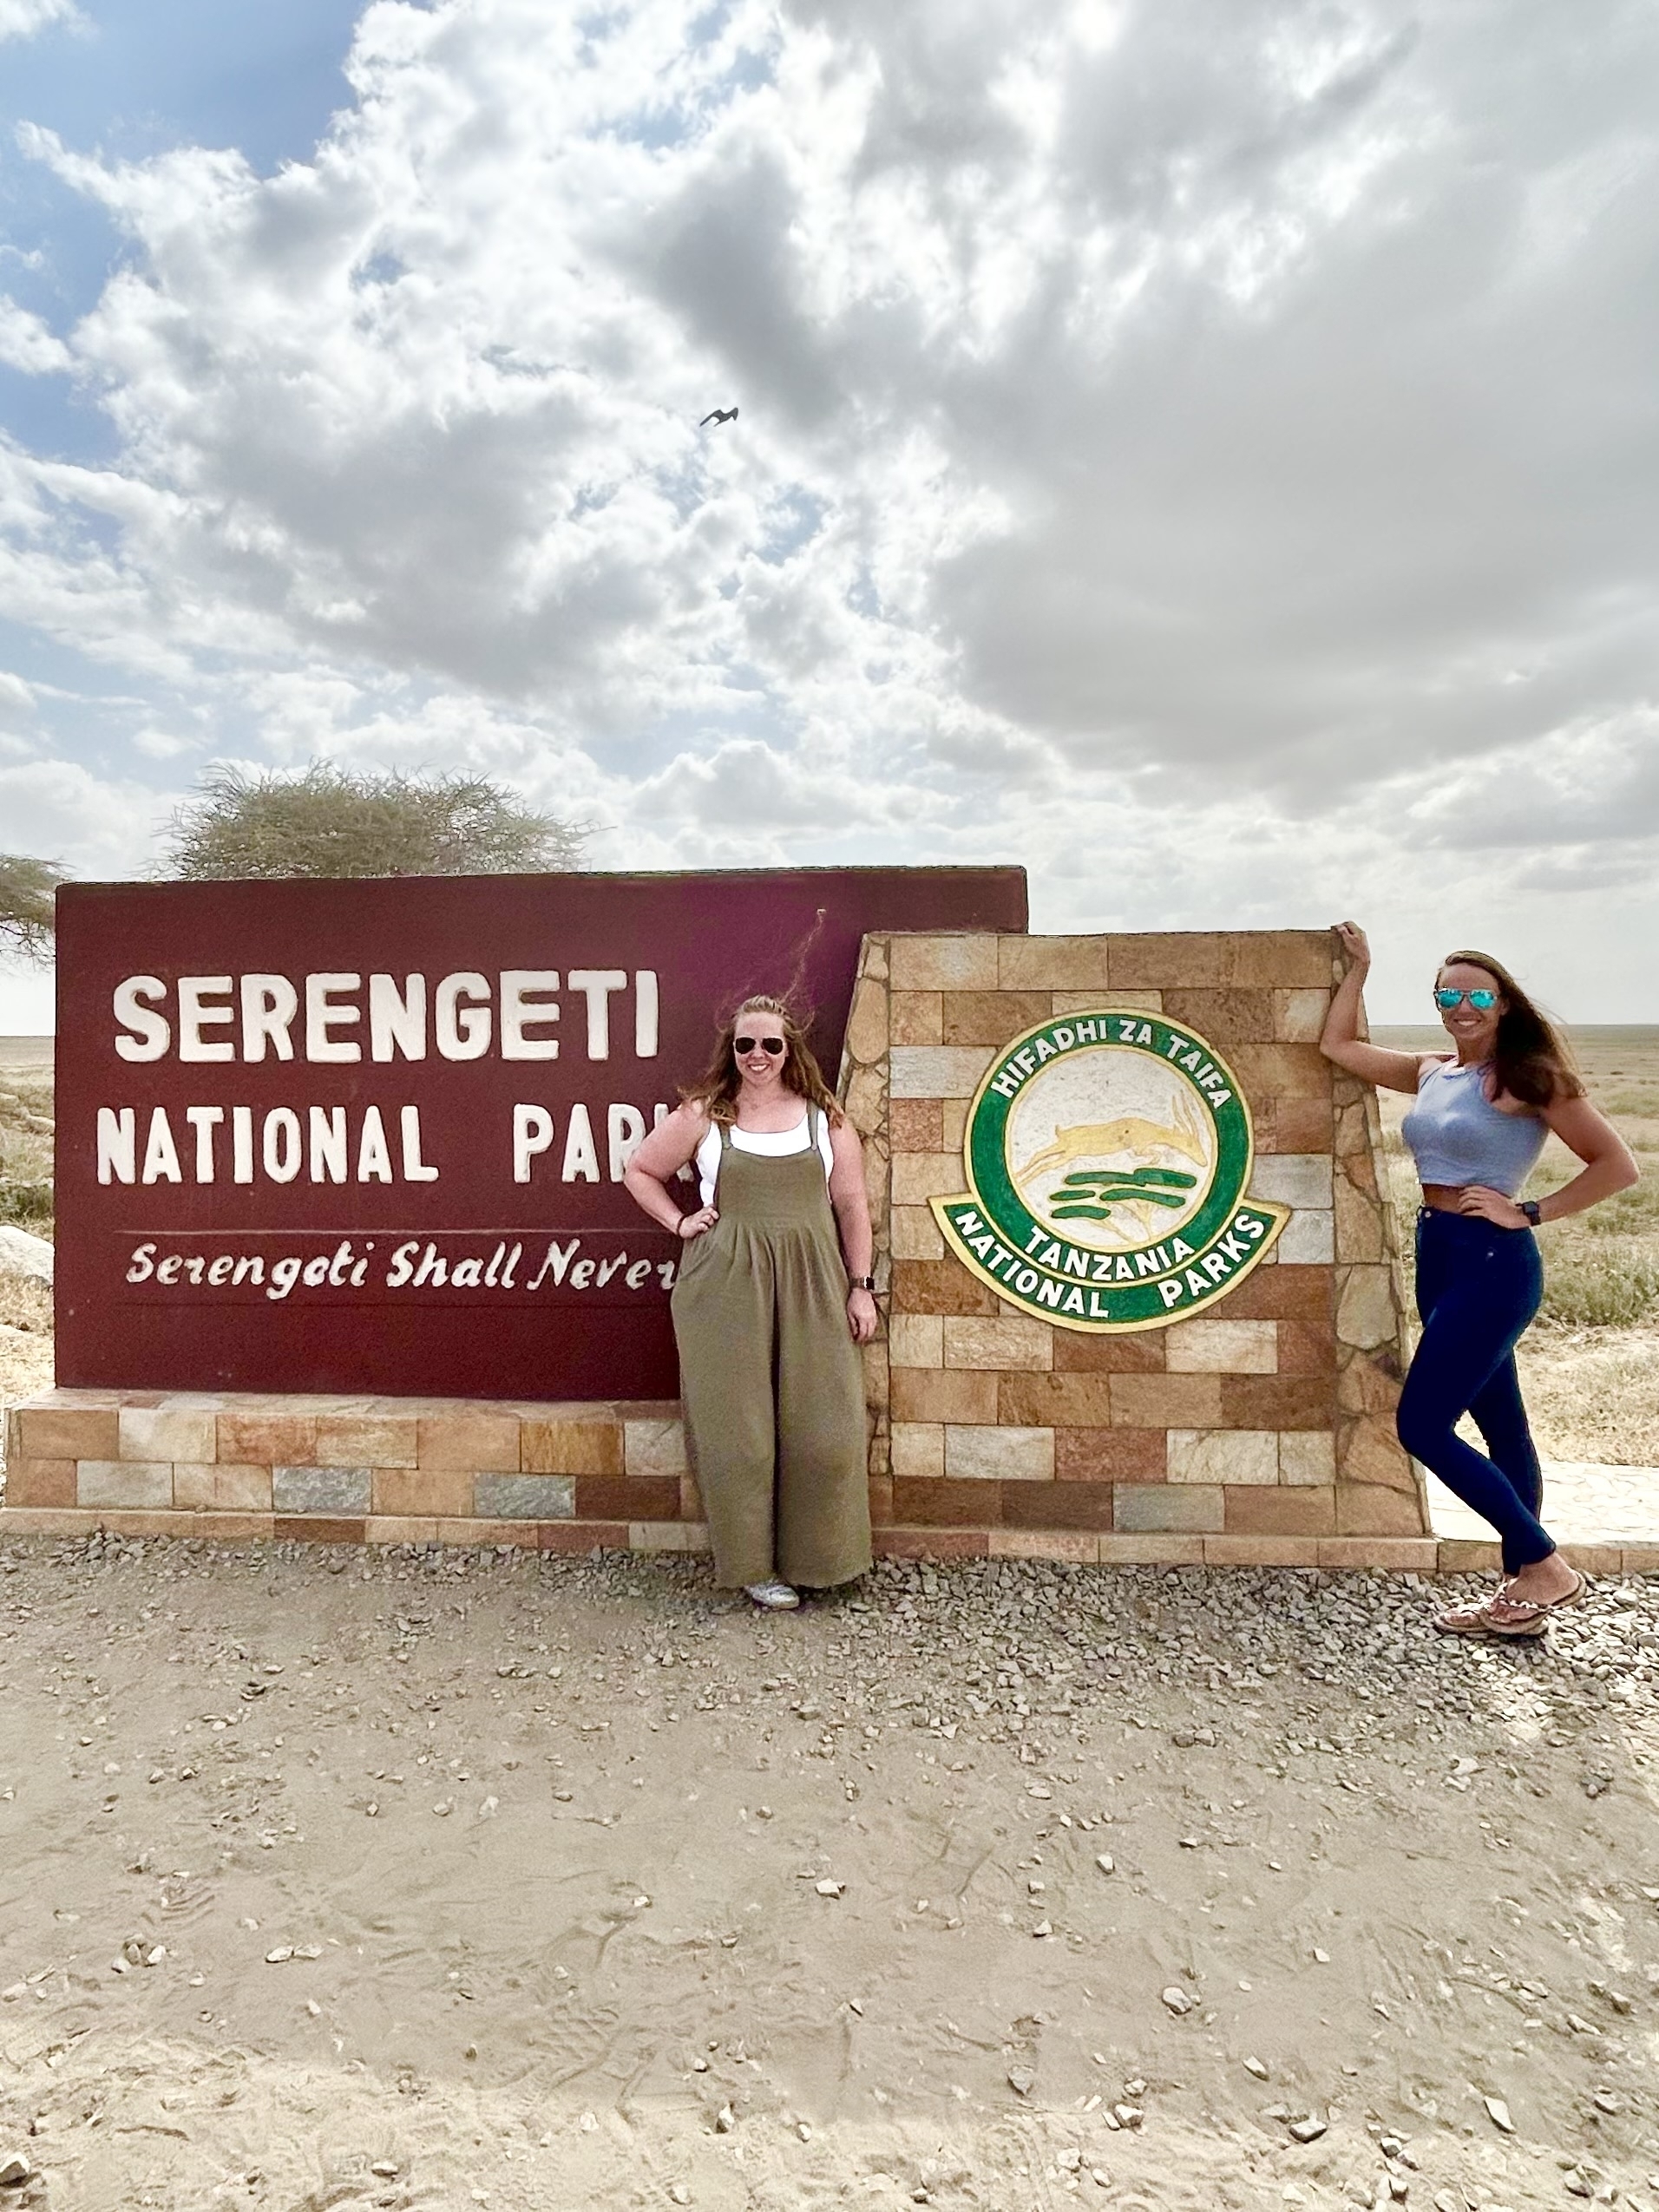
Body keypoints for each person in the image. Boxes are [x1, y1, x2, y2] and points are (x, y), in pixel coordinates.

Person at [1321, 927, 1637, 1637]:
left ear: (1501, 1005)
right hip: (1440, 1255)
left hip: (1494, 1264)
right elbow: (1338, 1048)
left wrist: (1529, 1211)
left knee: (1423, 1425)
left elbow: (1618, 1165)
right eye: (1448, 994)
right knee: (1502, 1426)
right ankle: (1520, 1596)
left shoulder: (1529, 1078)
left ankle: (1545, 1567)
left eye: (1476, 995)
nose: (1461, 1006)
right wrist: (1360, 969)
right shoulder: (1435, 1072)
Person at [622, 992, 877, 1610]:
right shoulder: (706, 1115)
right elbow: (640, 1171)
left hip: (815, 1281)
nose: (757, 1055)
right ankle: (754, 1568)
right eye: (745, 1044)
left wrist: (861, 1285)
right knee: (740, 1435)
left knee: (825, 1427)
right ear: (730, 1051)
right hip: (726, 1284)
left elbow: (852, 1206)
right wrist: (680, 1224)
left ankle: (824, 1560)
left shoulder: (825, 1118)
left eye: (770, 1044)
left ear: (789, 1050)